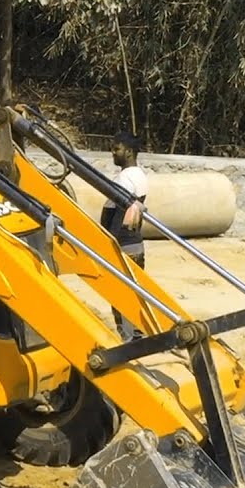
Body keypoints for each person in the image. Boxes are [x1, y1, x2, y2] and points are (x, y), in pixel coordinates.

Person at [100, 129, 149, 341]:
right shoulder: (139, 175)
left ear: (129, 152)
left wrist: (107, 243)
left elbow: (120, 214)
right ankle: (138, 332)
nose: (113, 153)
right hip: (135, 244)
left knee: (119, 293)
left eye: (117, 149)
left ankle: (128, 340)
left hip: (122, 244)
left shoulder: (125, 180)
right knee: (134, 292)